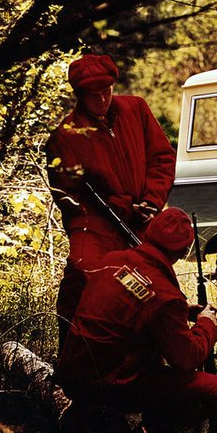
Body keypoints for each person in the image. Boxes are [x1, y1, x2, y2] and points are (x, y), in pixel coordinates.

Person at [55, 207, 217, 433]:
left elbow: (127, 304)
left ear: (149, 233)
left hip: (71, 376)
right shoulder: (165, 297)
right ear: (185, 250)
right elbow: (187, 358)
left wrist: (183, 312)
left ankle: (89, 415)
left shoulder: (112, 261)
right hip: (107, 385)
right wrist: (206, 323)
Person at [46, 53, 176, 344]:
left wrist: (152, 203)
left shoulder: (135, 109)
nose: (102, 100)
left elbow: (162, 158)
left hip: (142, 219)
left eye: (106, 91)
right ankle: (73, 354)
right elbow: (69, 196)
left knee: (150, 289)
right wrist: (124, 207)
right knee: (82, 278)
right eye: (94, 95)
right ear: (79, 95)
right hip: (95, 227)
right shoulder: (66, 136)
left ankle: (147, 358)